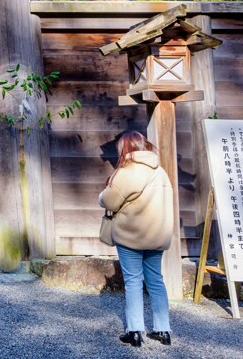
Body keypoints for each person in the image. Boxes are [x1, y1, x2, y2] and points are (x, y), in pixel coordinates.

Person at [99, 131, 174, 348]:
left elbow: (109, 201)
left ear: (126, 148)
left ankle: (134, 331)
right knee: (156, 281)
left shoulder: (128, 172)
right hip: (156, 236)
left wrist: (101, 196)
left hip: (130, 235)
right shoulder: (160, 172)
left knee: (133, 282)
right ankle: (163, 330)